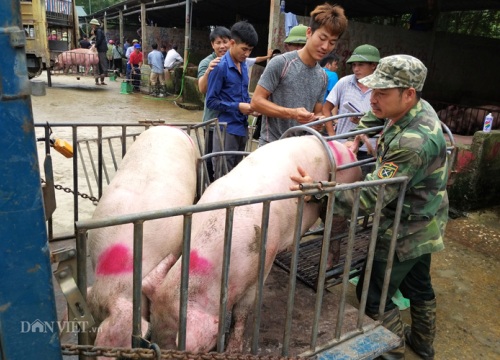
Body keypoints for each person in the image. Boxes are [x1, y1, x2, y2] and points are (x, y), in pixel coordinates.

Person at [291, 54, 448, 360]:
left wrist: (320, 191)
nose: (373, 100)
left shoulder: (412, 143)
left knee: (372, 296)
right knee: (419, 285)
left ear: (408, 94)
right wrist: (357, 134)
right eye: (372, 92)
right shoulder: (414, 108)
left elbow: (370, 197)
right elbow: (379, 115)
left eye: (382, 94)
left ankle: (393, 353)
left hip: (404, 228)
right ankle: (424, 346)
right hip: (427, 218)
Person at [250, 3, 348, 147]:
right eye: (322, 38)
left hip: (301, 149)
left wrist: (317, 121)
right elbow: (256, 102)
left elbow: (318, 112)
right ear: (309, 33)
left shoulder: (323, 76)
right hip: (272, 146)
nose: (326, 46)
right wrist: (292, 113)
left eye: (332, 42)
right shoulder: (281, 63)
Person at [206, 21, 258, 177]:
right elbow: (211, 101)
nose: (247, 54)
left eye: (250, 50)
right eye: (244, 49)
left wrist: (251, 107)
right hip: (225, 129)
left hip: (241, 128)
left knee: (236, 175)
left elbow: (241, 96)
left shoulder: (244, 66)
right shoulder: (220, 67)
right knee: (222, 175)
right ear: (232, 43)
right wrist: (237, 106)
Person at [322, 44, 380, 160]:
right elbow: (326, 108)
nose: (356, 69)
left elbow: (388, 119)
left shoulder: (382, 88)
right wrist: (333, 137)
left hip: (369, 149)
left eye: (360, 65)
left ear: (373, 65)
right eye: (354, 65)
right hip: (344, 146)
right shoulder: (344, 82)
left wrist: (363, 121)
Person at [197, 26, 232, 182]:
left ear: (231, 43)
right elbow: (202, 88)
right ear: (212, 44)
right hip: (212, 123)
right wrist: (208, 73)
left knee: (228, 160)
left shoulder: (235, 62)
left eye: (225, 42)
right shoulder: (206, 62)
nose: (222, 46)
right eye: (218, 42)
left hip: (231, 122)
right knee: (211, 161)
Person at [90, 18, 108, 86]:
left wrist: (95, 46)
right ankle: (98, 81)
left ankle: (101, 80)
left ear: (95, 25)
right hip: (100, 49)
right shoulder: (98, 31)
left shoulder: (99, 31)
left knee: (100, 64)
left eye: (92, 25)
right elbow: (93, 34)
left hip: (101, 49)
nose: (91, 26)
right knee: (97, 64)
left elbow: (99, 39)